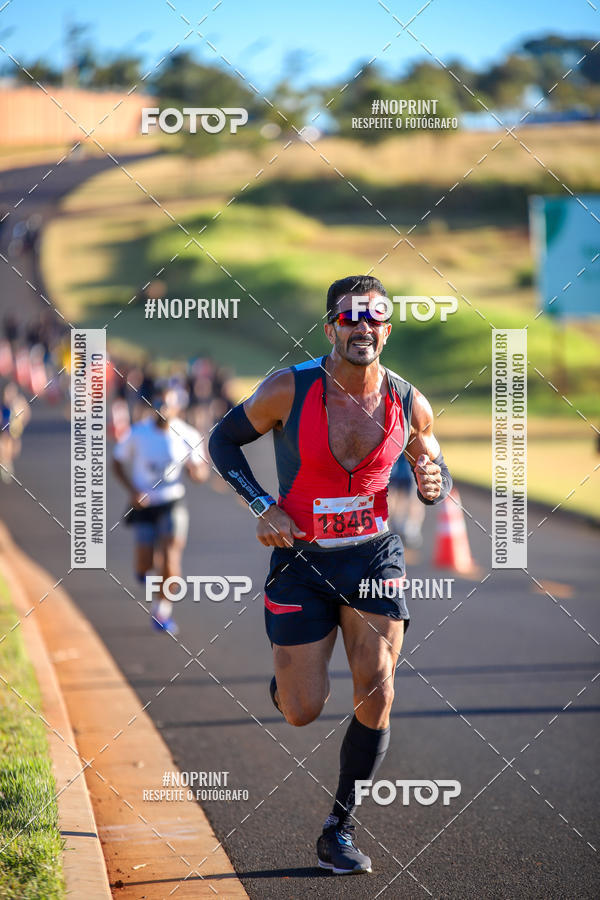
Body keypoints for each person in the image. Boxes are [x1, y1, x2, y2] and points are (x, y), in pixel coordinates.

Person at [209, 275, 452, 875]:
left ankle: (337, 828)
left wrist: (432, 480)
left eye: (373, 318)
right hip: (301, 560)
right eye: (349, 317)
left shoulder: (407, 399)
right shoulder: (288, 389)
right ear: (330, 327)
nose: (361, 327)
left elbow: (429, 451)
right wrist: (262, 505)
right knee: (302, 710)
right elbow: (222, 440)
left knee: (378, 686)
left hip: (372, 557)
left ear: (387, 330)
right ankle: (286, 683)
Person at [113, 386, 208, 635]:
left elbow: (201, 471)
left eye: (168, 405)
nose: (163, 410)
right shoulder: (138, 432)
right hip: (144, 504)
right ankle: (145, 575)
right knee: (145, 566)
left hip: (172, 502)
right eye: (159, 404)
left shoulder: (187, 434)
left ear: (178, 407)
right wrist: (133, 490)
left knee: (170, 556)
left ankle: (161, 611)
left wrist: (195, 472)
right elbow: (116, 462)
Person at [387, 452, 426, 552]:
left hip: (411, 451)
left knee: (414, 490)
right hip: (396, 450)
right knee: (391, 490)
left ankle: (411, 528)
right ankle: (392, 525)